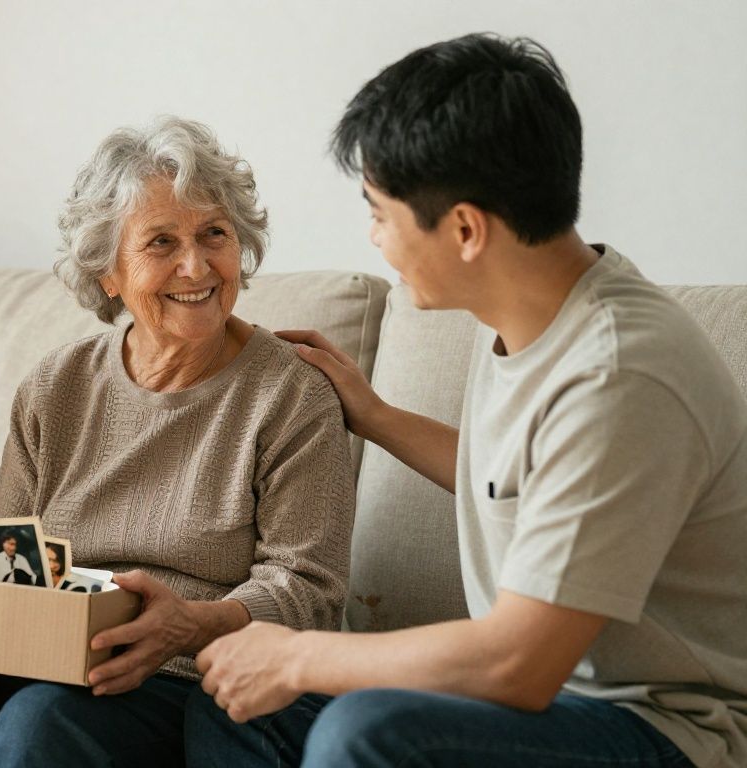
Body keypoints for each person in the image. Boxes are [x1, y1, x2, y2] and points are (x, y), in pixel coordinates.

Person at [190, 33, 747, 768]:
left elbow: (518, 663)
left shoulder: (622, 374)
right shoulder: (539, 316)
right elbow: (534, 486)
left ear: (464, 229)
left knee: (361, 734)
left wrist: (297, 657)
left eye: (381, 213)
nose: (374, 238)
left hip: (658, 727)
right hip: (547, 706)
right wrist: (378, 417)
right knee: (232, 703)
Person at [0, 117, 357, 767]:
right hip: (44, 658)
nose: (196, 265)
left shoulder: (289, 394)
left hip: (186, 677)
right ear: (108, 271)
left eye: (215, 235)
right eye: (161, 242)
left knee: (41, 725)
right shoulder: (56, 387)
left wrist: (192, 624)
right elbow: (11, 554)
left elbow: (308, 590)